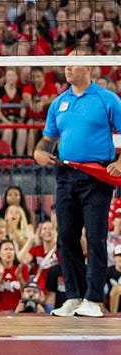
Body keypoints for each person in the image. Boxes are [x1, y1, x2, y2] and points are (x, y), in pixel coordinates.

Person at [35, 56, 121, 317]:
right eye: (65, 64)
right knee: (66, 237)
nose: (67, 68)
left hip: (97, 176)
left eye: (73, 64)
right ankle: (73, 296)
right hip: (65, 175)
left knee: (95, 237)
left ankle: (93, 299)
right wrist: (39, 152)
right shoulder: (59, 103)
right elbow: (47, 141)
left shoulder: (108, 99)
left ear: (90, 67)